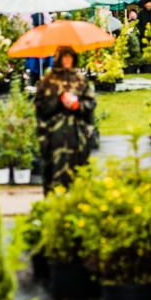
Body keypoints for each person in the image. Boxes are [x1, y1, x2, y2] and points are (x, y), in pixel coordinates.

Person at [35, 46, 96, 193]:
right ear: (58, 59)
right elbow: (40, 107)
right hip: (54, 136)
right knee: (54, 174)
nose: (67, 60)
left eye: (70, 57)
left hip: (77, 135)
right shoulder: (47, 81)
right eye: (64, 57)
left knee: (78, 173)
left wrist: (77, 106)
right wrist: (58, 101)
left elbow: (90, 103)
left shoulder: (81, 80)